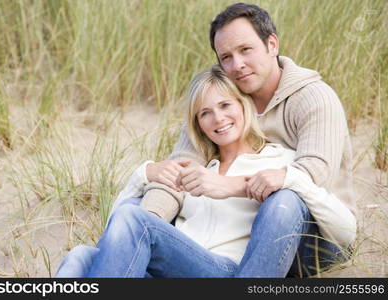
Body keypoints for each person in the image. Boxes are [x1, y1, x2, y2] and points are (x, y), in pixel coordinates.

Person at [55, 66, 356, 277]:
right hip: (175, 268)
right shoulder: (193, 171)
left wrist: (288, 178)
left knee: (136, 222)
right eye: (205, 113)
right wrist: (144, 174)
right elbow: (116, 237)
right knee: (82, 254)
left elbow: (346, 230)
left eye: (226, 105)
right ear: (198, 123)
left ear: (244, 107)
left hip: (226, 270)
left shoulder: (278, 161)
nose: (218, 119)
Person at [138, 2, 357, 277]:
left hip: (318, 235)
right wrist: (149, 221)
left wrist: (228, 185)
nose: (237, 65)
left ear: (272, 44)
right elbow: (180, 168)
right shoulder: (224, 102)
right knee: (138, 207)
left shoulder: (313, 98)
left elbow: (313, 175)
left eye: (245, 50)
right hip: (242, 232)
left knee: (284, 200)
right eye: (226, 57)